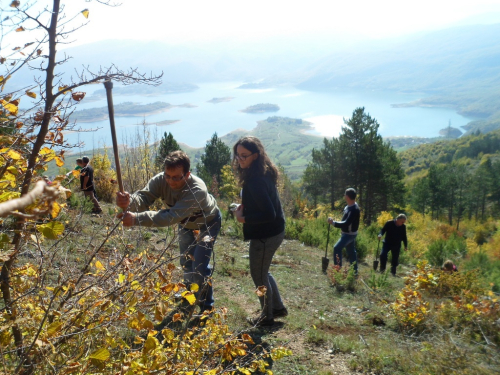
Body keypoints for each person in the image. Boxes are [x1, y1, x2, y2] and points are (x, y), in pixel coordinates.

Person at [116, 150, 221, 313]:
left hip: (207, 224)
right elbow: (144, 198)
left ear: (187, 175)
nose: (170, 181)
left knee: (199, 265)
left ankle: (207, 306)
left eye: (176, 177)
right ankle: (189, 295)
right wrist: (130, 201)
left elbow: (170, 217)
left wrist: (136, 219)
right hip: (185, 224)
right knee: (186, 262)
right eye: (167, 176)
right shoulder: (161, 180)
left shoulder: (197, 190)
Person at [232, 136, 287, 327]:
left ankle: (266, 316)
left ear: (255, 156)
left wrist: (243, 218)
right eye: (237, 155)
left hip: (266, 234)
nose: (239, 159)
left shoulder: (255, 180)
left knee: (259, 275)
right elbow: (265, 205)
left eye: (244, 156)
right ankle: (276, 308)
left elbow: (268, 213)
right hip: (274, 230)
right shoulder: (262, 172)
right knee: (263, 271)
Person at [328, 188, 360, 274]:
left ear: (347, 197)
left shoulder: (354, 209)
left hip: (349, 234)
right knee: (351, 252)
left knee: (337, 248)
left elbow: (346, 223)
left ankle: (337, 270)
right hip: (348, 233)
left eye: (345, 195)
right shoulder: (348, 207)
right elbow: (344, 221)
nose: (344, 196)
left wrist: (333, 223)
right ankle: (355, 271)